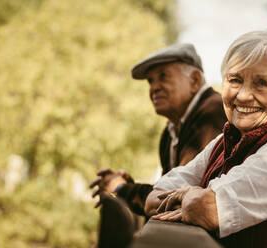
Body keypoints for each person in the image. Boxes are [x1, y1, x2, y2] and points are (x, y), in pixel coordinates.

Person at [145, 30, 267, 248]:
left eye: (262, 83)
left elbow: (208, 208)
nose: (244, 95)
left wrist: (196, 196)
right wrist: (192, 197)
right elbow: (153, 199)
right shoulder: (223, 141)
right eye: (235, 80)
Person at [90, 43, 227, 216]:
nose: (154, 88)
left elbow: (178, 197)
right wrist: (129, 189)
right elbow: (164, 195)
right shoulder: (169, 133)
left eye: (163, 76)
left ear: (194, 80)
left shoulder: (212, 114)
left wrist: (121, 189)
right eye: (150, 81)